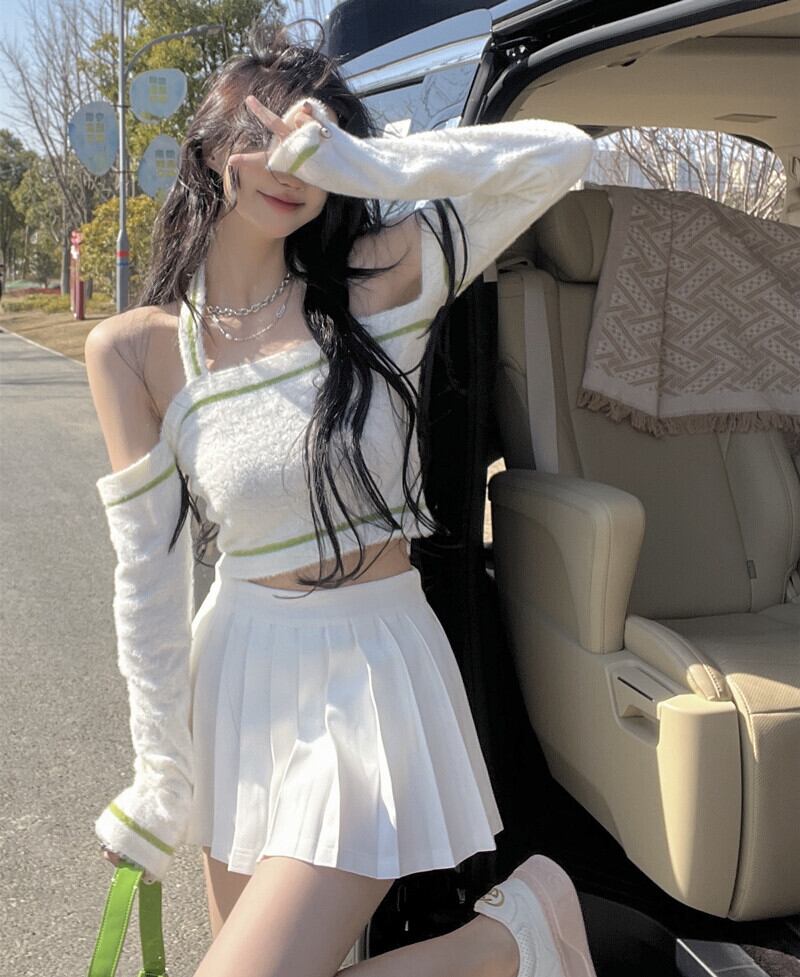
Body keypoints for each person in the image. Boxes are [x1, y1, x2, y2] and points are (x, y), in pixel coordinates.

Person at [84, 16, 598, 977]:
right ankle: (514, 940)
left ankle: (511, 938)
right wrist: (159, 774)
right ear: (209, 145)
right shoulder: (137, 350)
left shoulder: (376, 283)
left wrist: (366, 166)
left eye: (310, 141)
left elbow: (559, 155)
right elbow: (147, 582)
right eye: (262, 132)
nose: (289, 161)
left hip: (369, 669)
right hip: (239, 675)